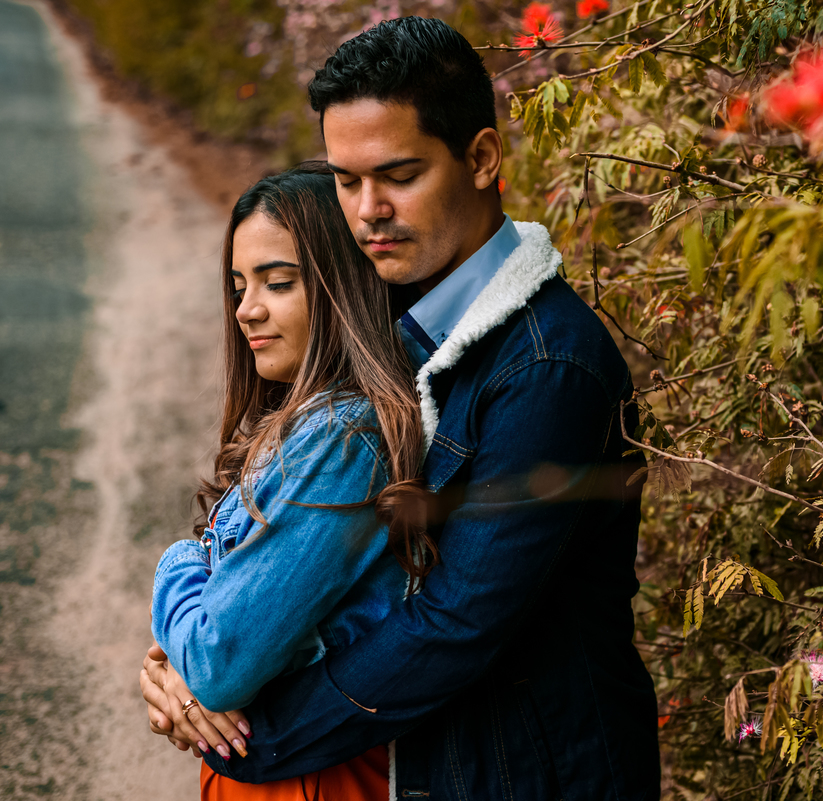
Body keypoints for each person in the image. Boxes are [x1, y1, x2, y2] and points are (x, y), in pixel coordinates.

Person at [142, 17, 660, 799]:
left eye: (398, 175)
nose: (367, 211)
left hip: (532, 776)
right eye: (347, 181)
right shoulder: (385, 319)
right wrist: (186, 665)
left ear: (481, 159)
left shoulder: (546, 364)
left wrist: (241, 728)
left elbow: (453, 625)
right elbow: (276, 542)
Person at [149, 166, 424, 799]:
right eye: (238, 286)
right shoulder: (308, 426)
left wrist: (177, 564)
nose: (246, 310)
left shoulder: (345, 438)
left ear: (342, 287)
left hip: (314, 779)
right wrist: (168, 668)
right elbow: (216, 647)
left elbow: (217, 663)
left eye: (278, 283)